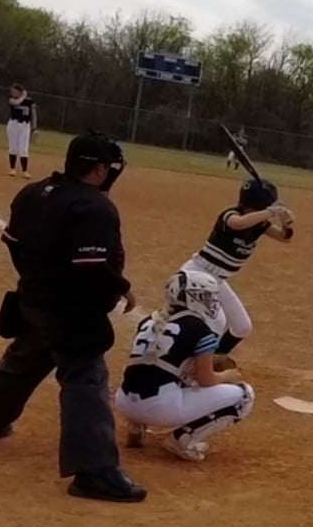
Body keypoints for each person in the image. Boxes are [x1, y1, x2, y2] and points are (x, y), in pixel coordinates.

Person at [0, 130, 146, 503]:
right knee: (85, 377)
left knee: (24, 359)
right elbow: (91, 266)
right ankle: (94, 471)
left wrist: (36, 280)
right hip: (71, 310)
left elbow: (13, 244)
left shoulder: (34, 192)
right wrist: (122, 286)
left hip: (34, 299)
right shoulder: (94, 207)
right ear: (98, 169)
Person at [118, 270, 255, 462]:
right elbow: (206, 380)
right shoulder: (200, 329)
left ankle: (135, 424)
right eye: (206, 296)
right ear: (193, 298)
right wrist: (228, 376)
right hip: (159, 407)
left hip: (124, 402)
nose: (211, 302)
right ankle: (182, 440)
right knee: (244, 396)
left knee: (152, 370)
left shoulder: (148, 321)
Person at [178, 177, 294, 362]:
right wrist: (270, 211)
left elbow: (284, 238)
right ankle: (194, 365)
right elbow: (238, 223)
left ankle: (214, 360)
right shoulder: (231, 214)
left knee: (242, 326)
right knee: (217, 322)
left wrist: (287, 225)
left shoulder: (259, 224)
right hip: (198, 274)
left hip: (217, 280)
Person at [5, 83, 36, 178]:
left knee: (23, 149)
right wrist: (23, 95)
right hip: (13, 124)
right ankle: (12, 169)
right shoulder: (12, 100)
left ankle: (25, 171)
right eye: (12, 91)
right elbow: (16, 103)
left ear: (20, 92)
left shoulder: (29, 101)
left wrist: (34, 127)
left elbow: (33, 114)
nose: (13, 93)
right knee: (13, 147)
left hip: (25, 125)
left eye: (15, 91)